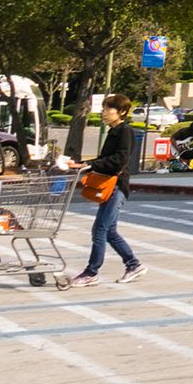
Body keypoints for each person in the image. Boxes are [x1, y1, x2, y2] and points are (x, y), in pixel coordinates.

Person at [58, 96, 144, 288]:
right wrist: (81, 165)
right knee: (110, 231)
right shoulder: (114, 131)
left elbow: (119, 160)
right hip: (110, 186)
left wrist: (89, 164)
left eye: (108, 109)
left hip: (116, 187)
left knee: (100, 230)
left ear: (121, 112)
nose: (104, 112)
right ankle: (133, 265)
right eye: (104, 109)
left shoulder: (125, 131)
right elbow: (105, 159)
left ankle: (91, 272)